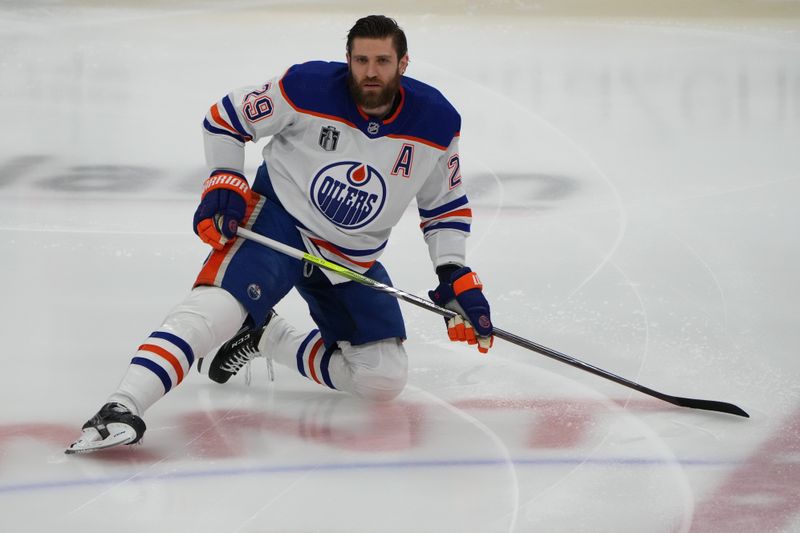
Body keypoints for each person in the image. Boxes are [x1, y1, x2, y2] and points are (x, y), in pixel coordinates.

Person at [66, 15, 493, 454]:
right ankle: (122, 405)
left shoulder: (437, 123)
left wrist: (453, 272)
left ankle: (266, 337)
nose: (370, 71)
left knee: (382, 378)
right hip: (279, 224)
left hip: (350, 257)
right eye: (361, 60)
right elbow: (225, 118)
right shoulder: (305, 87)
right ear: (347, 60)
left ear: (403, 63)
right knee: (217, 310)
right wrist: (225, 179)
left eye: (382, 61)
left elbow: (444, 206)